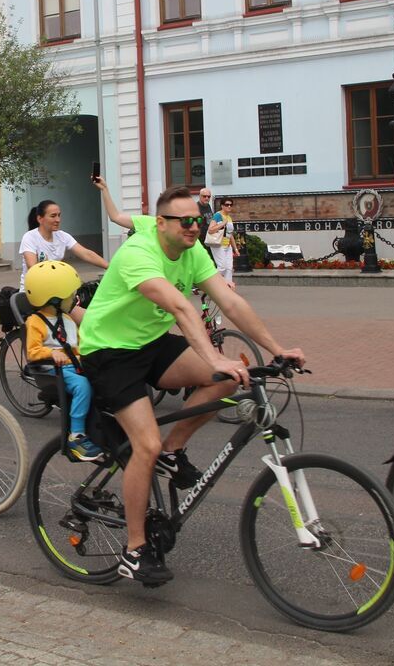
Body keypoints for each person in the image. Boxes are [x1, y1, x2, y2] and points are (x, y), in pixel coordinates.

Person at [78, 185, 304, 586]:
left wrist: (277, 348)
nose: (195, 227)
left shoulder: (192, 249)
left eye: (199, 219)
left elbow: (230, 304)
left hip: (150, 343)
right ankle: (134, 549)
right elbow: (181, 307)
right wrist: (213, 355)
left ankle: (173, 449)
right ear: (161, 222)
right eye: (186, 221)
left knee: (227, 379)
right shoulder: (138, 253)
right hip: (110, 352)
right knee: (142, 445)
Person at [24, 261, 103, 461]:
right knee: (82, 386)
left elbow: (79, 343)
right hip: (53, 369)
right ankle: (76, 435)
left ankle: (101, 424)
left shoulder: (67, 319)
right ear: (54, 298)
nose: (75, 299)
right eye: (70, 295)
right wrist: (52, 353)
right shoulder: (35, 322)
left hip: (72, 364)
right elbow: (33, 352)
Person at [18, 200, 108, 290]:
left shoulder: (63, 236)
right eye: (53, 216)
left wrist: (110, 267)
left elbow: (86, 254)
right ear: (40, 219)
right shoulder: (30, 237)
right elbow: (33, 268)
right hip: (33, 292)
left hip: (56, 288)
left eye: (59, 215)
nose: (58, 220)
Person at [209, 199, 239, 285]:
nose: (229, 206)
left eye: (231, 205)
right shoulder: (217, 215)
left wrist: (235, 249)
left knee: (229, 268)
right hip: (218, 244)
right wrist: (223, 223)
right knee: (222, 267)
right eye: (227, 204)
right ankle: (211, 285)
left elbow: (230, 234)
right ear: (222, 205)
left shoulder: (229, 217)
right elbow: (210, 230)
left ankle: (227, 288)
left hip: (227, 245)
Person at [196, 188, 215, 257]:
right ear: (200, 196)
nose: (207, 198)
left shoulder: (208, 206)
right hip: (200, 240)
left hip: (209, 239)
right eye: (204, 196)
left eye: (208, 196)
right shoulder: (196, 208)